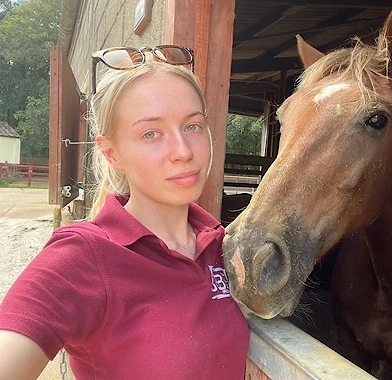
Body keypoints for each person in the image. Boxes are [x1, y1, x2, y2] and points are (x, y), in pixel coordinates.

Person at [0, 46, 250, 379]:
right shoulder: (84, 256)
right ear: (112, 153)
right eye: (151, 133)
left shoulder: (223, 245)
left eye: (192, 126)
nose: (183, 151)